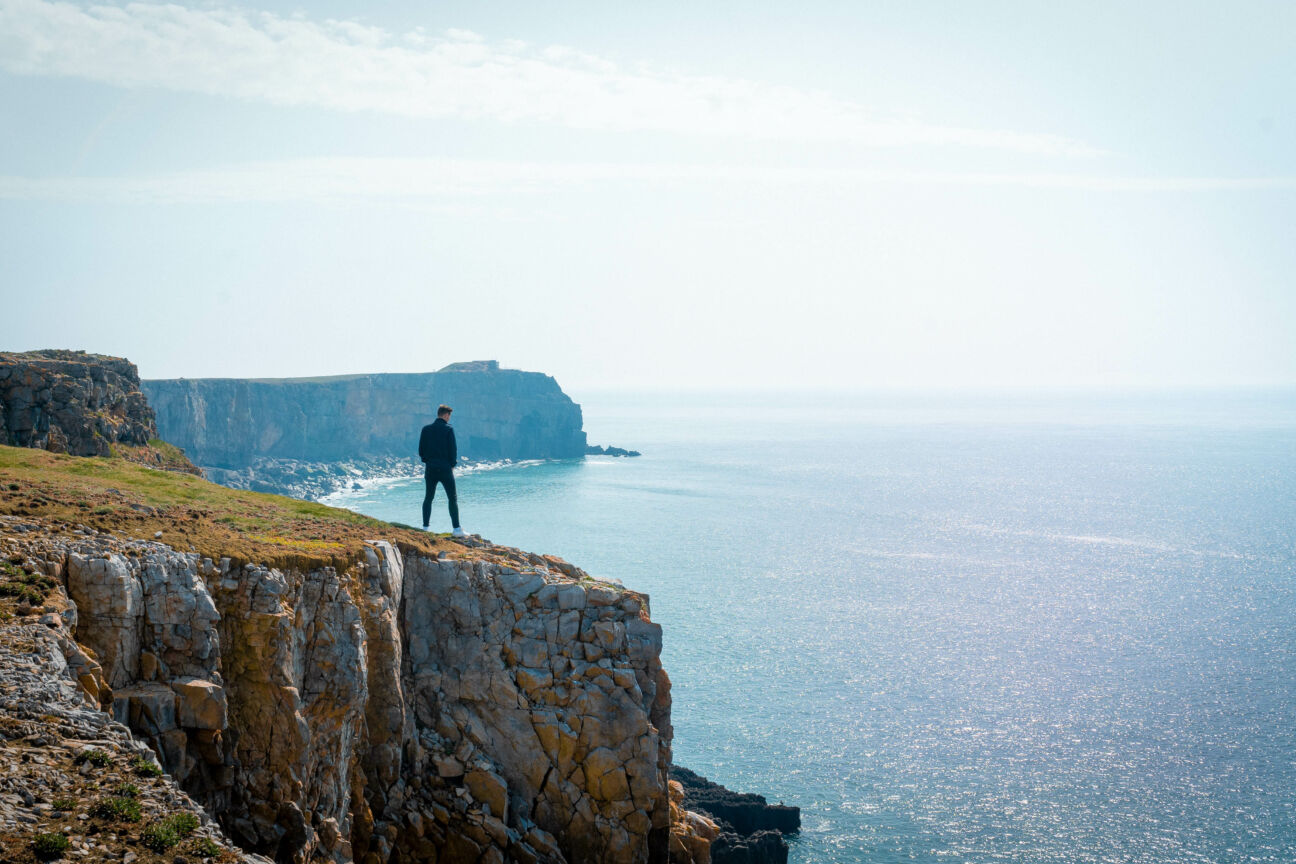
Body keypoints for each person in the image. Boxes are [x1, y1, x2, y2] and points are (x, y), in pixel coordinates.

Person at [418, 404, 465, 537]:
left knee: (428, 497)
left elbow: (421, 450)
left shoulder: (426, 429)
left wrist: (427, 461)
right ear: (445, 415)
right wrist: (452, 464)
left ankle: (425, 528)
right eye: (449, 415)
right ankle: (456, 529)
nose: (449, 418)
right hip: (445, 468)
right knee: (452, 498)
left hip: (431, 468)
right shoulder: (448, 430)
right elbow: (453, 450)